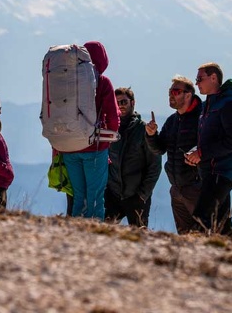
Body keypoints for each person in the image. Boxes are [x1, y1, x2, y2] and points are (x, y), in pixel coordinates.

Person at [62, 41, 120, 219]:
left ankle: (77, 230)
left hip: (70, 147)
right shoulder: (102, 82)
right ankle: (94, 234)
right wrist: (110, 134)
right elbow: (112, 118)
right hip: (95, 147)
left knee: (79, 196)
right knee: (95, 196)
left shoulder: (67, 79)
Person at [185, 62, 232, 235]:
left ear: (214, 78)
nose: (197, 83)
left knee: (201, 217)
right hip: (210, 170)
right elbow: (209, 138)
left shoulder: (230, 104)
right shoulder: (208, 105)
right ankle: (231, 255)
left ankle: (190, 255)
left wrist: (201, 153)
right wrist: (196, 152)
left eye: (199, 79)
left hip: (222, 171)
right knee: (221, 223)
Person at [145, 76, 203, 234]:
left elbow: (214, 143)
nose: (171, 95)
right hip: (177, 189)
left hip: (198, 188)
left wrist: (199, 152)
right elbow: (160, 149)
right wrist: (151, 135)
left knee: (206, 233)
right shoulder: (172, 121)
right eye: (170, 91)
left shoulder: (202, 117)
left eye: (176, 91)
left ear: (188, 95)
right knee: (184, 236)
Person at [105, 87, 162, 227]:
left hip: (137, 196)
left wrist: (142, 195)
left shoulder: (144, 130)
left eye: (124, 102)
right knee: (104, 235)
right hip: (113, 194)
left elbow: (155, 166)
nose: (120, 106)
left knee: (140, 238)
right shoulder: (108, 129)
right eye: (116, 102)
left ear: (133, 103)